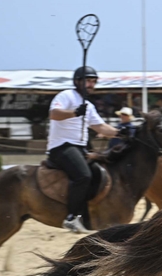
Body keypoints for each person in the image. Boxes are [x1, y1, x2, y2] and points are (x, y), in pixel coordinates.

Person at [47, 67, 119, 233]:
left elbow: (100, 127)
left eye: (93, 81)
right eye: (88, 80)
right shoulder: (66, 95)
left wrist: (120, 132)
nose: (91, 84)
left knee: (98, 173)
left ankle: (85, 215)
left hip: (80, 148)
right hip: (61, 146)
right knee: (83, 175)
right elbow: (54, 114)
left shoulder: (89, 106)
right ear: (77, 81)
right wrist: (74, 112)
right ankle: (71, 217)